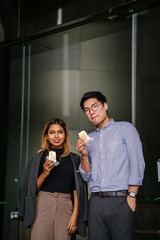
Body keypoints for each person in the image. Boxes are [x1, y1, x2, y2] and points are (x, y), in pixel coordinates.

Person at [76, 91, 145, 240]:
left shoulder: (125, 129)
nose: (91, 112)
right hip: (95, 203)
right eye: (86, 110)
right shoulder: (89, 139)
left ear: (105, 106)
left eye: (94, 106)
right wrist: (84, 155)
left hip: (121, 200)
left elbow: (137, 162)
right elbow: (86, 175)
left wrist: (132, 194)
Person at [18, 118, 88, 240]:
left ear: (65, 135)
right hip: (42, 204)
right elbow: (30, 190)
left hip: (66, 206)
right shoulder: (37, 158)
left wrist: (74, 215)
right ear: (46, 136)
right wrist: (45, 173)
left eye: (60, 132)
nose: (56, 136)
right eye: (52, 132)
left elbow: (77, 189)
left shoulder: (74, 159)